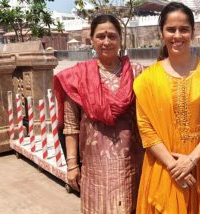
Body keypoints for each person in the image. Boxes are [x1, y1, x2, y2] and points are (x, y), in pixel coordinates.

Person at [133, 2, 200, 213]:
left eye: (184, 29)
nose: (177, 35)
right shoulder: (147, 80)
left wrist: (191, 160)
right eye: (171, 29)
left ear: (193, 32)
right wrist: (174, 165)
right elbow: (146, 128)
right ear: (161, 33)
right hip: (164, 166)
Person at [53, 14, 143, 213]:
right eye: (100, 36)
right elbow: (70, 125)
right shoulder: (77, 77)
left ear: (120, 39)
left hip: (131, 165)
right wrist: (71, 165)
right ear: (91, 39)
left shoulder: (138, 73)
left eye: (112, 36)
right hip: (94, 168)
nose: (106, 41)